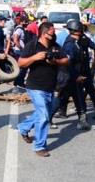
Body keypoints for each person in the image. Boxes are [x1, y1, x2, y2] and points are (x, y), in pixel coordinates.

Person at [17, 22, 68, 157]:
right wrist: (34, 57)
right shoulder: (32, 46)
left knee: (42, 114)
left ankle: (23, 127)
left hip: (50, 87)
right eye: (51, 33)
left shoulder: (55, 46)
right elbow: (20, 63)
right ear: (44, 33)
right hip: (35, 86)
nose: (53, 35)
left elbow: (66, 60)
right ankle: (39, 146)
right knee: (44, 115)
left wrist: (55, 62)